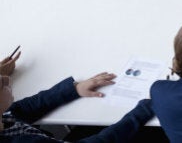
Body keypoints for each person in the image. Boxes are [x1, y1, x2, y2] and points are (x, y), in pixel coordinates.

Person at [0, 52, 153, 142]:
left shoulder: (4, 117)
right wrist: (143, 110)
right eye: (1, 83)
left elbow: (26, 108)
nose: (7, 79)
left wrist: (74, 89)